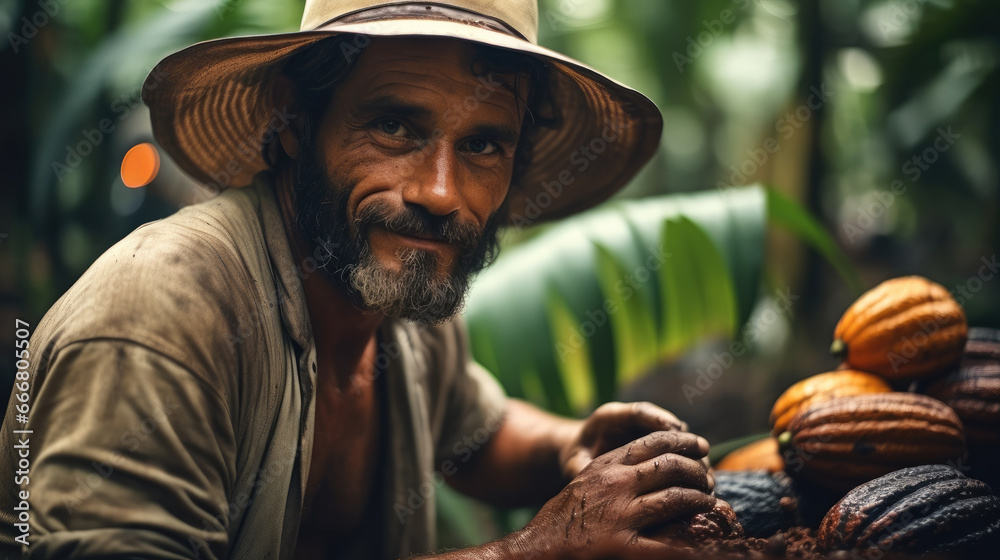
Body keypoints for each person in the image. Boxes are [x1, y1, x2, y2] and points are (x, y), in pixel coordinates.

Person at [0, 1, 719, 558]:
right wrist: (531, 551)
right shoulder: (160, 316)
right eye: (396, 128)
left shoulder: (398, 295)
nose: (439, 192)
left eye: (481, 145)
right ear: (291, 120)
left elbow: (477, 429)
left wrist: (568, 447)